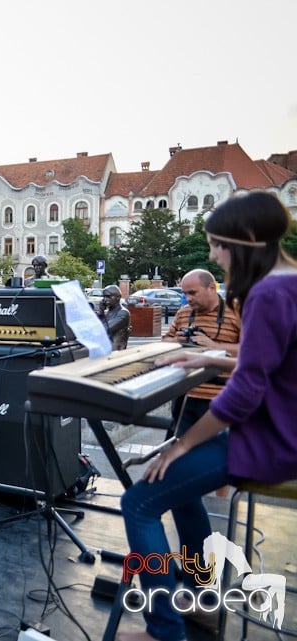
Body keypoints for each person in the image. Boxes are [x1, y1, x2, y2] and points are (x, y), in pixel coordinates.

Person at [118, 191, 297, 641]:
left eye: (219, 244)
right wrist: (212, 361)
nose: (215, 255)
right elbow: (271, 364)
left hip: (273, 441)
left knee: (139, 501)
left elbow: (246, 392)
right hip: (283, 430)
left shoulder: (267, 293)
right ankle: (201, 594)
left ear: (249, 239)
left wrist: (181, 443)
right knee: (178, 490)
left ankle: (163, 631)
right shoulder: (290, 281)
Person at [161, 268, 241, 435]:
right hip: (185, 397)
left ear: (212, 288)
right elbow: (163, 344)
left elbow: (253, 352)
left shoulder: (237, 312)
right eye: (185, 293)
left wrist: (215, 346)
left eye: (193, 293)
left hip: (222, 398)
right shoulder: (184, 313)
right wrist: (178, 341)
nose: (188, 298)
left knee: (216, 455)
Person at [97, 285, 131, 350]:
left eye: (108, 297)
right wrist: (101, 312)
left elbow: (104, 330)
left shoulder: (123, 313)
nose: (105, 300)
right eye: (104, 297)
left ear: (118, 297)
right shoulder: (107, 312)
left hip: (115, 352)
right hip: (105, 349)